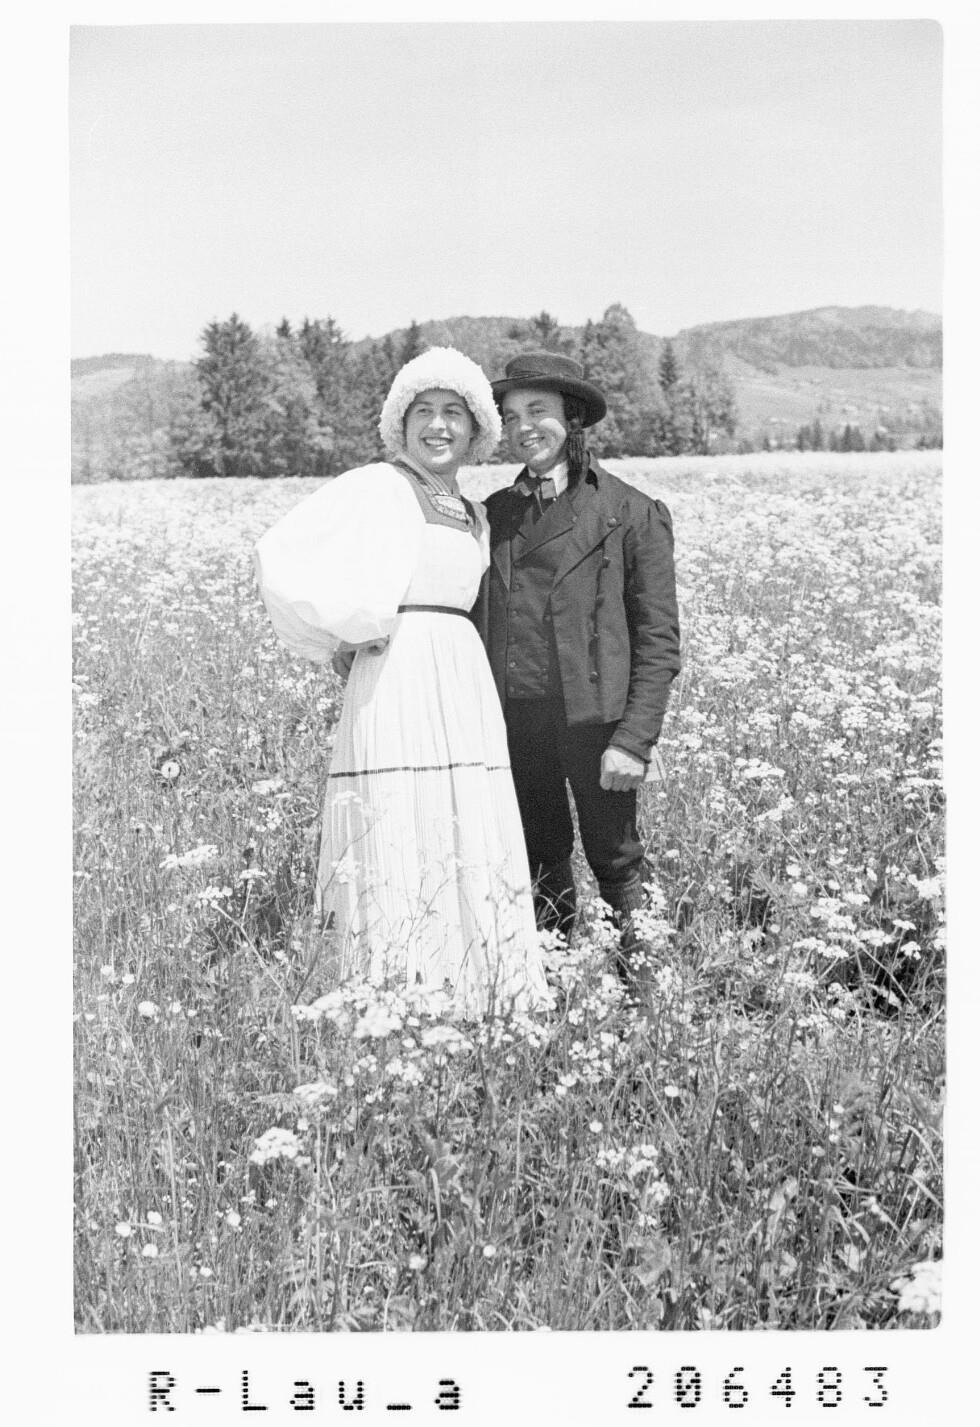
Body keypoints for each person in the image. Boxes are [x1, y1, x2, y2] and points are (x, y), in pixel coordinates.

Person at [253, 347, 551, 1018]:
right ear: (401, 422)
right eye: (423, 412)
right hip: (396, 671)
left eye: (454, 413)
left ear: (476, 430)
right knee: (395, 811)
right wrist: (344, 630)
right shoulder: (378, 485)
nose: (438, 426)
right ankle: (392, 987)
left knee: (459, 812)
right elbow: (282, 552)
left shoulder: (474, 513)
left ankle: (475, 986)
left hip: (460, 673)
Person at [472, 351, 681, 998]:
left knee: (616, 858)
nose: (523, 427)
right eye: (511, 416)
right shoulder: (492, 515)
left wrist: (634, 741)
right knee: (539, 854)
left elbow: (659, 641)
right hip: (517, 725)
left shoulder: (631, 512)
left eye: (537, 411)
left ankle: (643, 1000)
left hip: (598, 725)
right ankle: (554, 992)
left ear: (573, 419)